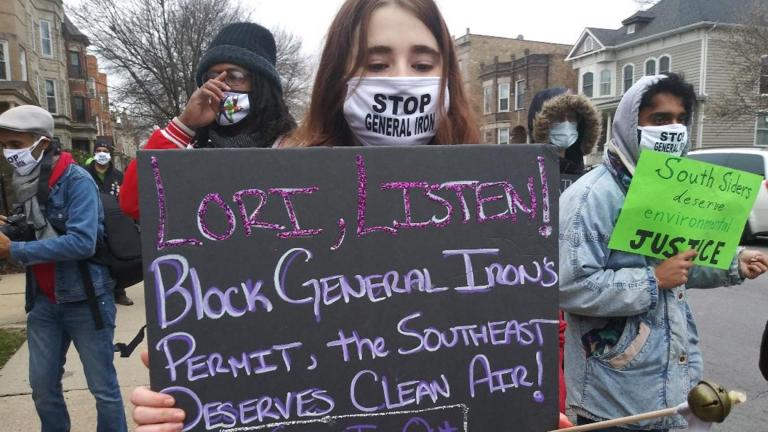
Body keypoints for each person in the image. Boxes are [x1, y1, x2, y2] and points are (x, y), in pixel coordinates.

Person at [131, 0, 570, 430]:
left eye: (421, 65)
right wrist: (188, 405)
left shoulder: (504, 202)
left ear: (447, 77)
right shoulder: (277, 201)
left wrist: (541, 414)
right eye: (376, 65)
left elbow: (530, 357)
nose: (400, 80)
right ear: (339, 78)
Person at [559, 73, 768, 431]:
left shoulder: (671, 188)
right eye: (659, 119)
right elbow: (569, 285)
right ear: (630, 124)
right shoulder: (590, 198)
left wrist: (733, 263)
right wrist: (652, 280)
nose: (673, 129)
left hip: (673, 387)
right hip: (611, 399)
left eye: (680, 120)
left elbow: (678, 264)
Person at [0, 105, 127, 431]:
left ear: (42, 142)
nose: (9, 153)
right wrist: (12, 229)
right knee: (42, 388)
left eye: (15, 144)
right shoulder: (27, 179)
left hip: (86, 300)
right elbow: (38, 227)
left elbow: (82, 242)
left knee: (104, 390)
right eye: (5, 145)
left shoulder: (76, 180)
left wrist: (14, 249)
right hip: (44, 302)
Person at [118, 21, 296, 221]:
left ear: (261, 85)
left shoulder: (293, 149)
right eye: (212, 76)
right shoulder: (188, 149)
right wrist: (184, 125)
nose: (221, 86)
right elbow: (133, 205)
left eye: (235, 76)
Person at [86, 141, 134, 306]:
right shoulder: (84, 173)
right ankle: (97, 291)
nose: (101, 153)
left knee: (117, 257)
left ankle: (119, 291)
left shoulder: (118, 175)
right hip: (91, 219)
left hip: (114, 222)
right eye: (98, 150)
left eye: (105, 150)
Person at [528, 87, 601, 175]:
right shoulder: (525, 171)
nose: (566, 123)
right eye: (558, 118)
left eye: (571, 117)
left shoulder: (581, 174)